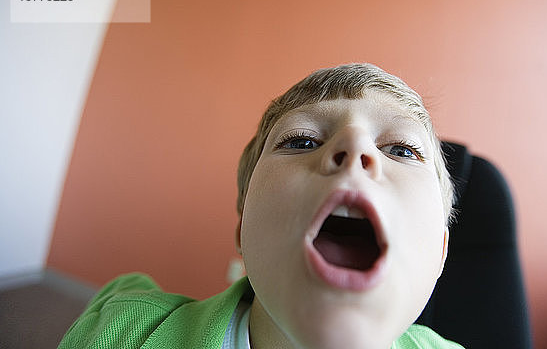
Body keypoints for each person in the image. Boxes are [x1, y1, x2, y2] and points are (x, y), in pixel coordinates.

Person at [58, 63, 464, 349]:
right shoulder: (125, 331)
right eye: (303, 141)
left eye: (402, 149)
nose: (353, 146)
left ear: (441, 250)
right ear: (242, 230)